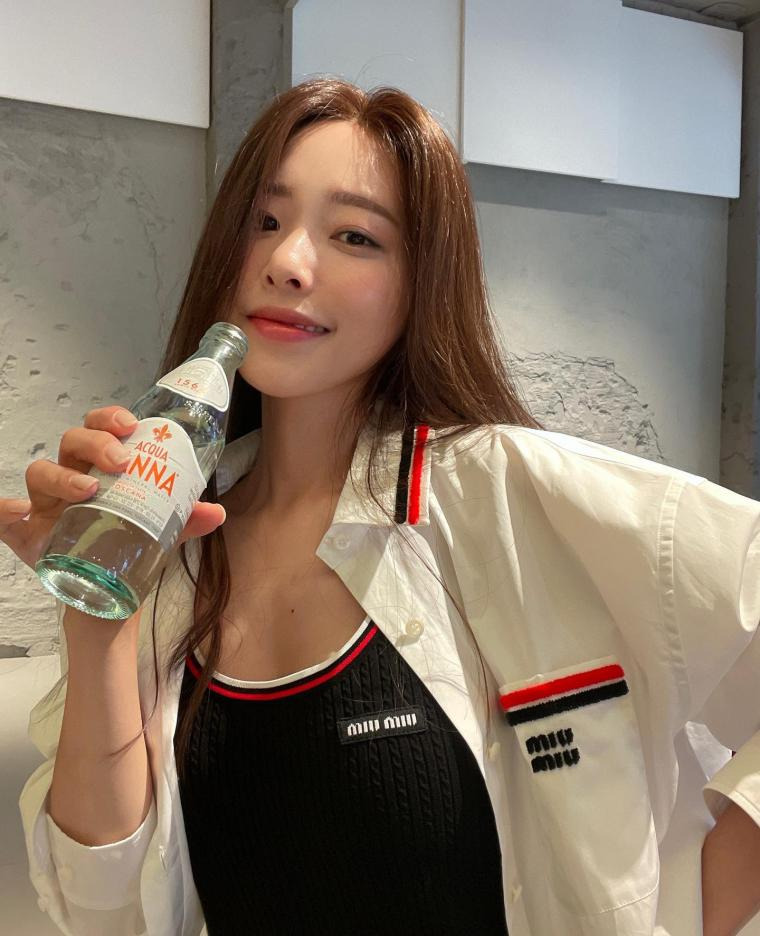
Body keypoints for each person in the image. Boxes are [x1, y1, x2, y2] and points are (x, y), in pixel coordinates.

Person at [4, 76, 760, 936]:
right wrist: (100, 614)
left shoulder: (510, 494)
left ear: (420, 283)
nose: (288, 261)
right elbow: (105, 914)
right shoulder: (177, 547)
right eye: (264, 221)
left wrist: (694, 909)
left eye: (355, 236)